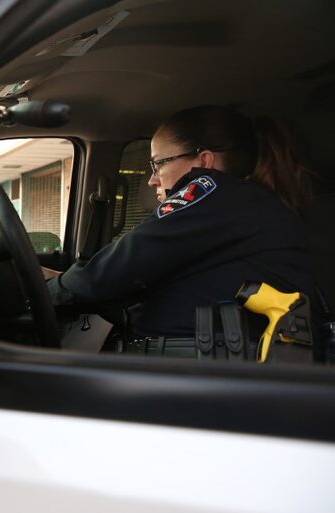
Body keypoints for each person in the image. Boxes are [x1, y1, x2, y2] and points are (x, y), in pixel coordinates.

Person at [47, 105, 316, 339]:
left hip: (202, 381)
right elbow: (131, 280)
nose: (152, 179)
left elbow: (127, 261)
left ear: (204, 161)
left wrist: (46, 290)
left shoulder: (214, 190)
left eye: (158, 164)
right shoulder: (239, 206)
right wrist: (63, 283)